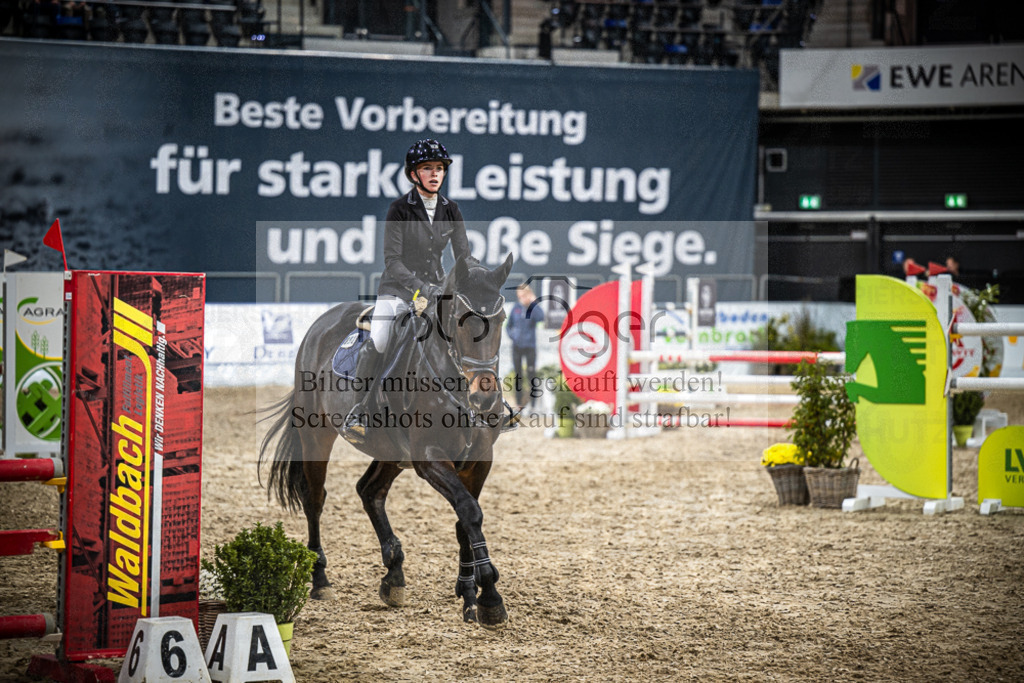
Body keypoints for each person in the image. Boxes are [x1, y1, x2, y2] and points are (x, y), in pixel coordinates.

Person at [343, 139, 473, 445]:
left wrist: (472, 279)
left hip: (438, 290)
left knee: (469, 332)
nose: (435, 174)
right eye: (427, 168)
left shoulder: (451, 210)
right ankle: (360, 410)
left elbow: (463, 257)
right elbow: (393, 260)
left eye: (439, 168)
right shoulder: (399, 209)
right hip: (398, 290)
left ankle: (483, 404)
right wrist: (420, 288)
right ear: (414, 174)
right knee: (380, 338)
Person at [506, 283, 544, 411]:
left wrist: (534, 302)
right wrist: (513, 336)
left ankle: (533, 405)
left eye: (523, 295)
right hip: (516, 347)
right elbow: (508, 326)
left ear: (528, 295)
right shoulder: (515, 308)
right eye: (519, 296)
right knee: (518, 375)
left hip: (530, 347)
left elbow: (541, 317)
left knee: (531, 374)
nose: (521, 298)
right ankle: (518, 404)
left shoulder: (533, 309)